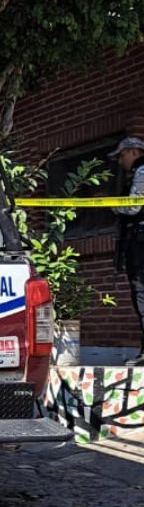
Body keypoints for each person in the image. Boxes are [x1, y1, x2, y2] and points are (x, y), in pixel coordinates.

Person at [112, 136, 144, 365]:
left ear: (133, 152)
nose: (120, 161)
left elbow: (133, 206)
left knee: (142, 293)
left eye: (121, 156)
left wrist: (110, 203)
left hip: (141, 241)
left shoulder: (142, 171)